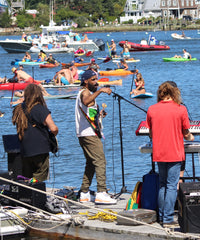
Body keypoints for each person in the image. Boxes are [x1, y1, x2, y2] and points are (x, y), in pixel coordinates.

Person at [146, 81, 194, 227]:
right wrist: (191, 137)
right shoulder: (180, 109)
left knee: (162, 185)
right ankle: (167, 219)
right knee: (172, 185)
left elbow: (151, 133)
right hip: (174, 152)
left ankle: (162, 217)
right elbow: (186, 134)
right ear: (175, 93)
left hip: (159, 152)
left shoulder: (152, 109)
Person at [75, 69, 117, 205]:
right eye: (93, 79)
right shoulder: (85, 92)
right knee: (100, 161)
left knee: (91, 163)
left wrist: (99, 115)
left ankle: (84, 193)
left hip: (86, 133)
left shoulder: (86, 93)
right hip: (89, 134)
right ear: (85, 81)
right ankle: (101, 192)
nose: (96, 82)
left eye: (96, 79)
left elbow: (88, 112)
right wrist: (101, 91)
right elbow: (86, 102)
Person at [12, 84, 58, 182]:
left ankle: (26, 193)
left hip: (25, 148)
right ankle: (36, 192)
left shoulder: (19, 108)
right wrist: (54, 134)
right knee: (40, 175)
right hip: (40, 147)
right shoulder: (40, 109)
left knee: (27, 175)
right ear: (39, 95)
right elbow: (53, 128)